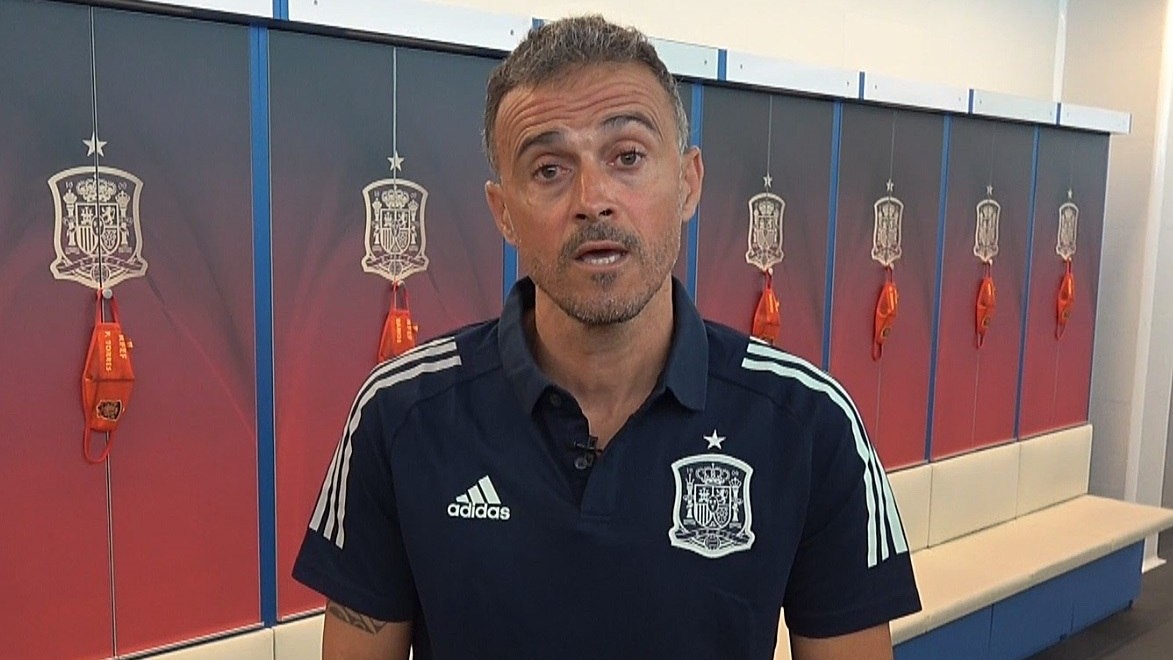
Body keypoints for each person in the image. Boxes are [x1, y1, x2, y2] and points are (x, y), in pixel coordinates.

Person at [293, 15, 921, 660]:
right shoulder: (398, 416)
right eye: (548, 169)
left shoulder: (810, 423)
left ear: (688, 183)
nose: (592, 199)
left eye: (627, 157)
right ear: (503, 213)